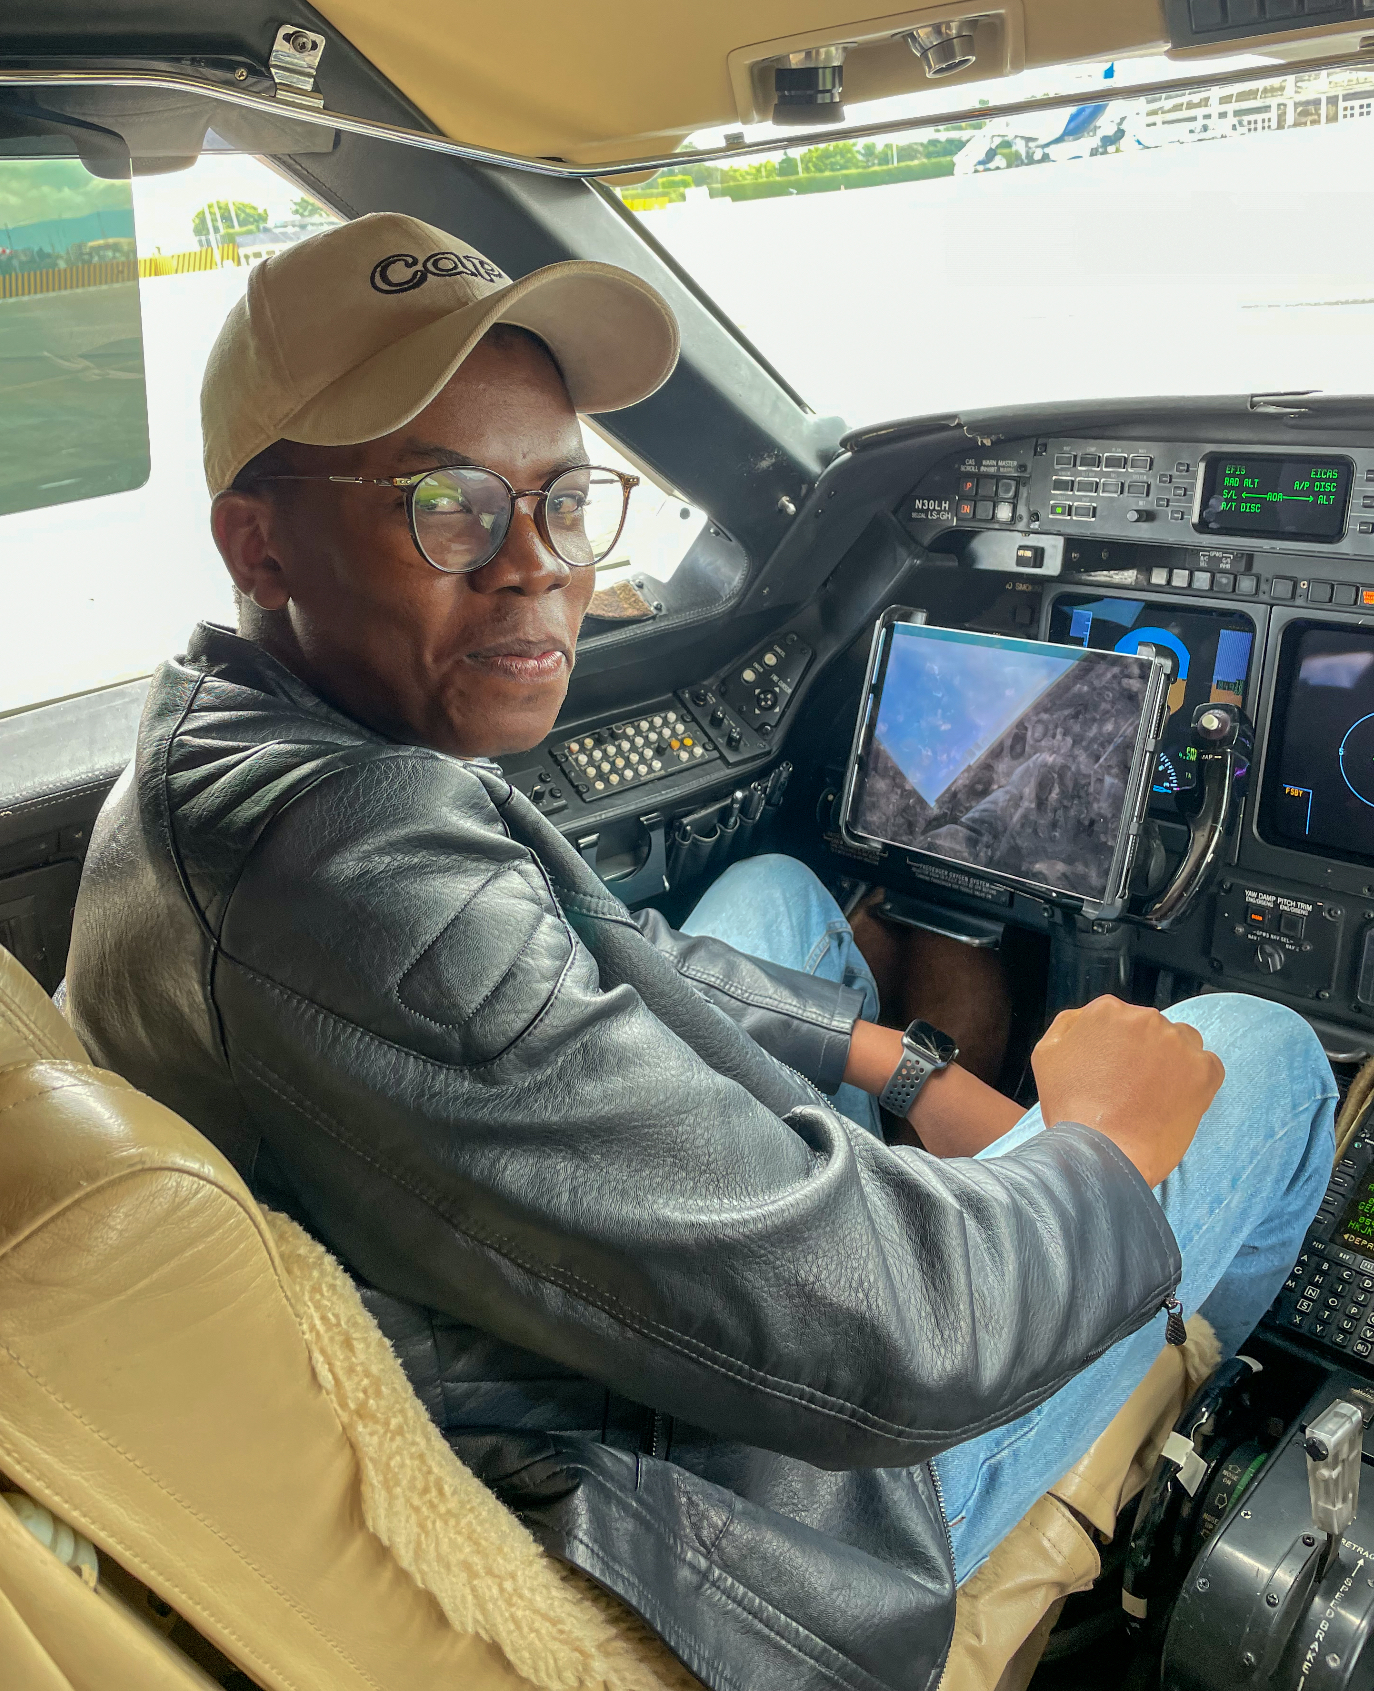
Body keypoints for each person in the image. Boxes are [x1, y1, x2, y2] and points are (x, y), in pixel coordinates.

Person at [67, 213, 1335, 1691]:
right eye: (449, 506)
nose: (538, 569)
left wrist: (901, 1063)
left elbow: (596, 948)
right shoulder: (357, 883)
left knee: (789, 894)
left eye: (565, 499)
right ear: (257, 538)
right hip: (736, 1524)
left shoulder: (229, 738)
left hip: (499, 1333)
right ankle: (1168, 1457)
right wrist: (1104, 1154)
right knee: (1260, 1052)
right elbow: (903, 1332)